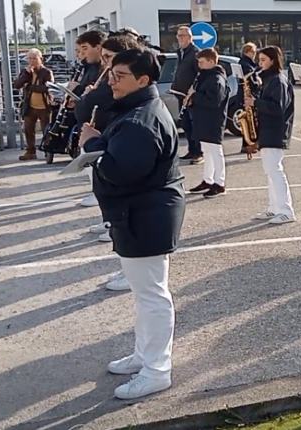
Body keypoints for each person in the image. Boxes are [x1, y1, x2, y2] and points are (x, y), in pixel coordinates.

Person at [78, 48, 185, 400]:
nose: (111, 81)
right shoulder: (137, 110)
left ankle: (157, 370)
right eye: (111, 74)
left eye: (119, 76)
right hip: (140, 213)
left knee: (153, 296)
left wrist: (92, 143)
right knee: (146, 294)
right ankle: (145, 356)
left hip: (146, 214)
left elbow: (122, 170)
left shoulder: (142, 118)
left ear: (144, 80)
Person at [76, 34, 143, 253]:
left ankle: (121, 241)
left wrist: (88, 98)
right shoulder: (105, 77)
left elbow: (92, 105)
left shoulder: (126, 90)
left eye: (109, 57)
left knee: (123, 200)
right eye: (104, 57)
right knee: (106, 189)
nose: (106, 63)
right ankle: (113, 229)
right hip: (106, 138)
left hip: (113, 142)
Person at [246, 45, 297, 225]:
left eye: (263, 60)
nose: (259, 64)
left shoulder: (278, 81)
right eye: (259, 60)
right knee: (270, 171)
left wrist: (255, 102)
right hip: (268, 130)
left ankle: (286, 210)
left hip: (275, 131)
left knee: (275, 171)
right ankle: (274, 207)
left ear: (273, 61)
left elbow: (278, 108)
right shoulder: (269, 79)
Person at [186, 48, 230, 198]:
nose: (199, 65)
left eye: (202, 62)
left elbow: (214, 101)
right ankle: (208, 180)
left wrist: (194, 96)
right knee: (207, 151)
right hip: (203, 119)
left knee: (215, 152)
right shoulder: (205, 76)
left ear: (211, 62)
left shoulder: (217, 79)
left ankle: (220, 183)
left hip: (213, 121)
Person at [73, 30, 106, 209]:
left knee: (94, 160)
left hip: (96, 123)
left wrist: (84, 92)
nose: (82, 54)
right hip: (85, 120)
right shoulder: (88, 67)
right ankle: (96, 192)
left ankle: (98, 195)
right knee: (87, 159)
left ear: (98, 47)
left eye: (85, 49)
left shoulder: (102, 70)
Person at [13, 48, 53, 161]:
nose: (32, 61)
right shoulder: (26, 71)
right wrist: (26, 74)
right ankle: (30, 151)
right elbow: (17, 85)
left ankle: (47, 150)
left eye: (34, 58)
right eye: (29, 58)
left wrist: (30, 87)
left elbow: (47, 88)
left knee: (46, 129)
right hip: (29, 106)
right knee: (28, 129)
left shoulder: (46, 72)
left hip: (44, 106)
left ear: (41, 59)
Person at [173, 26, 202, 164]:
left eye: (183, 36)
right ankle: (191, 150)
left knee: (195, 125)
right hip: (180, 95)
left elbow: (199, 75)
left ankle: (198, 152)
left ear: (190, 38)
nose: (180, 38)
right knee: (186, 125)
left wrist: (192, 93)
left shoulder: (195, 53)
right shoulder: (181, 52)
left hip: (191, 97)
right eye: (178, 36)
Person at [238, 42, 259, 155]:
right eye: (253, 52)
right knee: (251, 122)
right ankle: (249, 145)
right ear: (247, 52)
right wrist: (259, 82)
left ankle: (246, 145)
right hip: (249, 96)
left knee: (247, 122)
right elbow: (253, 82)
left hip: (244, 96)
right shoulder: (247, 65)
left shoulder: (242, 63)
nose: (255, 55)